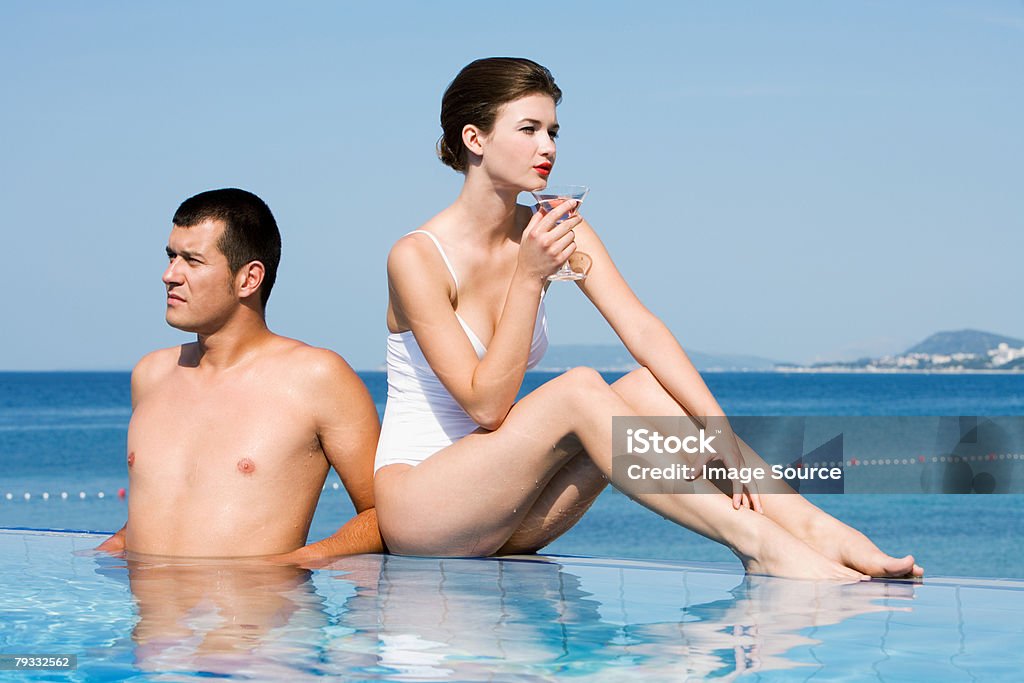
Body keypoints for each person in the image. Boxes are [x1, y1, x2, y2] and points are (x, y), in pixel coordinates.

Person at [373, 57, 923, 580]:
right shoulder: (417, 256)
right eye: (529, 129)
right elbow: (486, 406)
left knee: (645, 389)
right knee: (579, 388)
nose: (548, 147)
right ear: (475, 139)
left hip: (507, 510)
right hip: (427, 511)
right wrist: (530, 276)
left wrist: (716, 427)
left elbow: (639, 326)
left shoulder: (552, 227)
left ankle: (813, 529)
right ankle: (759, 546)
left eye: (554, 132)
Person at [98, 188, 381, 560]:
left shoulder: (317, 377)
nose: (169, 275)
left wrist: (296, 563)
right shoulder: (151, 375)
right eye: (171, 257)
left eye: (192, 261)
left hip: (257, 616)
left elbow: (386, 516)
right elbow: (164, 515)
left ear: (249, 279)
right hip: (151, 618)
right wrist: (103, 553)